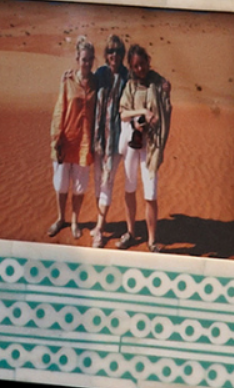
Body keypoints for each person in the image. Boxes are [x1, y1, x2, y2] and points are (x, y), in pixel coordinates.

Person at [107, 41, 172, 248]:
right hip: (132, 144)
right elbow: (123, 112)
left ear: (147, 61)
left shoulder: (158, 83)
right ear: (132, 67)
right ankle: (130, 232)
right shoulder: (130, 86)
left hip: (151, 145)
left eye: (142, 64)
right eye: (135, 66)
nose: (140, 69)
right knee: (129, 187)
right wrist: (142, 113)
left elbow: (166, 108)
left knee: (150, 192)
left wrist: (167, 93)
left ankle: (152, 240)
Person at [46, 35, 96, 237]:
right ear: (77, 59)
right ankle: (61, 218)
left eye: (90, 59)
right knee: (61, 184)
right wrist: (56, 137)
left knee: (79, 186)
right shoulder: (67, 80)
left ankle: (75, 221)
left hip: (85, 143)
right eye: (84, 59)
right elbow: (60, 109)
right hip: (66, 140)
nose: (87, 63)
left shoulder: (96, 82)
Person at [86, 33, 128, 246]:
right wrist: (69, 75)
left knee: (107, 182)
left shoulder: (127, 77)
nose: (114, 55)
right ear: (106, 54)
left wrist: (163, 83)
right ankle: (98, 222)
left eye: (118, 51)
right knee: (97, 182)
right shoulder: (100, 74)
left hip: (115, 142)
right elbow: (83, 79)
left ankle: (100, 229)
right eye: (111, 51)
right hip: (98, 139)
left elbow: (147, 79)